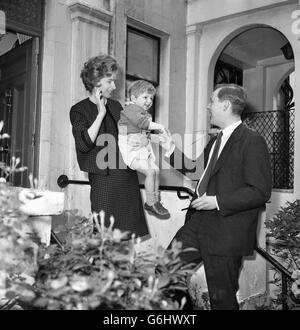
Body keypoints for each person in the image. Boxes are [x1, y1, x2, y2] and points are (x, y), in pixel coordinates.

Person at [167, 83, 272, 310]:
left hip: (227, 231)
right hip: (197, 223)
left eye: (212, 101)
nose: (208, 106)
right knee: (166, 272)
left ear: (225, 105)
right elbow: (196, 170)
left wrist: (216, 201)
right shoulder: (216, 140)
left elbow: (260, 191)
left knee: (221, 300)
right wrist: (168, 148)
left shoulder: (252, 141)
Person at [69, 54, 149, 239]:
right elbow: (83, 144)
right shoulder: (79, 110)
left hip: (126, 177)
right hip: (104, 181)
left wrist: (140, 139)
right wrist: (100, 114)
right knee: (104, 239)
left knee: (126, 239)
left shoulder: (116, 106)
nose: (114, 86)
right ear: (96, 82)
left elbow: (129, 136)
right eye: (110, 81)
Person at [118, 80, 173, 219]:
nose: (149, 101)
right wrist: (160, 127)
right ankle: (150, 202)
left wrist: (157, 138)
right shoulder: (131, 110)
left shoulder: (143, 113)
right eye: (145, 97)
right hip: (131, 150)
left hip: (141, 149)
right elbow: (142, 124)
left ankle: (155, 201)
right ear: (133, 98)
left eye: (151, 98)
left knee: (156, 171)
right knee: (150, 172)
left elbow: (144, 134)